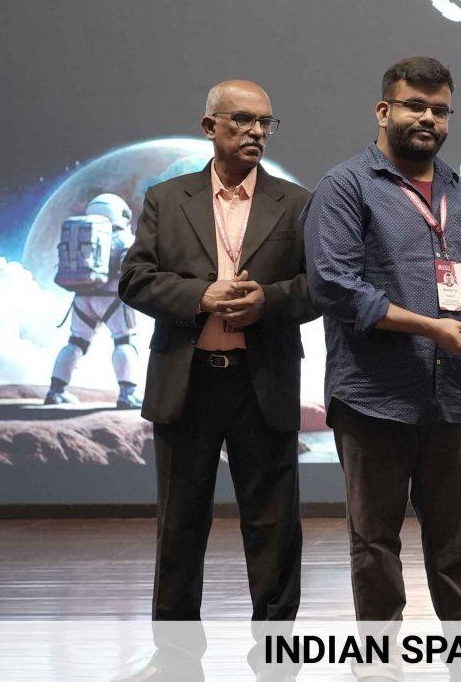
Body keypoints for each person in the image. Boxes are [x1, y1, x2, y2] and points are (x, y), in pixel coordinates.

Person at [302, 57, 461, 680]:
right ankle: (378, 667)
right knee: (375, 545)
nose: (428, 119)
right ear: (383, 110)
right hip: (373, 398)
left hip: (453, 400)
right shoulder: (345, 186)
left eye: (439, 110)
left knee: (457, 547)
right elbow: (334, 285)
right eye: (415, 105)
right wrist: (429, 327)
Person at [117, 80, 315, 679]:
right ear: (209, 127)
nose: (256, 132)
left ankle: (277, 658)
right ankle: (176, 659)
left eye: (265, 122)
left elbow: (321, 286)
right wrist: (199, 296)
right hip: (188, 381)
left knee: (274, 526)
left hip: (262, 380)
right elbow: (134, 279)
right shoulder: (166, 198)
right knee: (180, 525)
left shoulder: (297, 202)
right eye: (242, 120)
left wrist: (268, 302)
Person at [46, 192, 143, 409]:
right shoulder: (124, 239)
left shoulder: (81, 235)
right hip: (113, 299)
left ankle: (55, 391)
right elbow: (132, 272)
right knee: (124, 341)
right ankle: (128, 394)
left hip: (82, 298)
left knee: (76, 342)